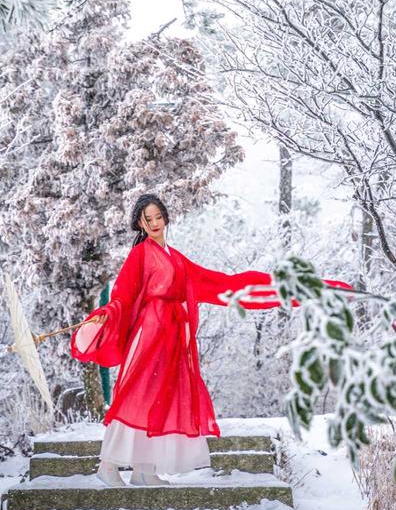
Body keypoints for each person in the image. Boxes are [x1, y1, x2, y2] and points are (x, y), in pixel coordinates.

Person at [71, 193, 352, 487]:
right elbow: (123, 295)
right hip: (149, 335)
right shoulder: (141, 254)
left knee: (157, 399)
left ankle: (144, 470)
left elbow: (223, 285)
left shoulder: (176, 259)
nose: (154, 223)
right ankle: (107, 464)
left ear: (166, 217)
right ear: (140, 223)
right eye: (147, 219)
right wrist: (108, 312)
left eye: (158, 217)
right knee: (136, 396)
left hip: (172, 339)